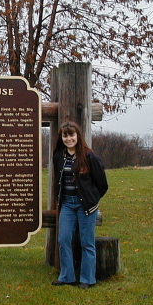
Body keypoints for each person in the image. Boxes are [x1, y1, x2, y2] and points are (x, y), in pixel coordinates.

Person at [51, 121, 108, 289]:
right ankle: (67, 276)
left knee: (86, 242)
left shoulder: (90, 157)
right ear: (61, 138)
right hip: (67, 204)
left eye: (71, 135)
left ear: (78, 136)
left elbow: (102, 184)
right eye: (65, 135)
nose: (68, 138)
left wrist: (92, 200)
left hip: (86, 206)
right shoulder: (58, 156)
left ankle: (87, 279)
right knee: (63, 239)